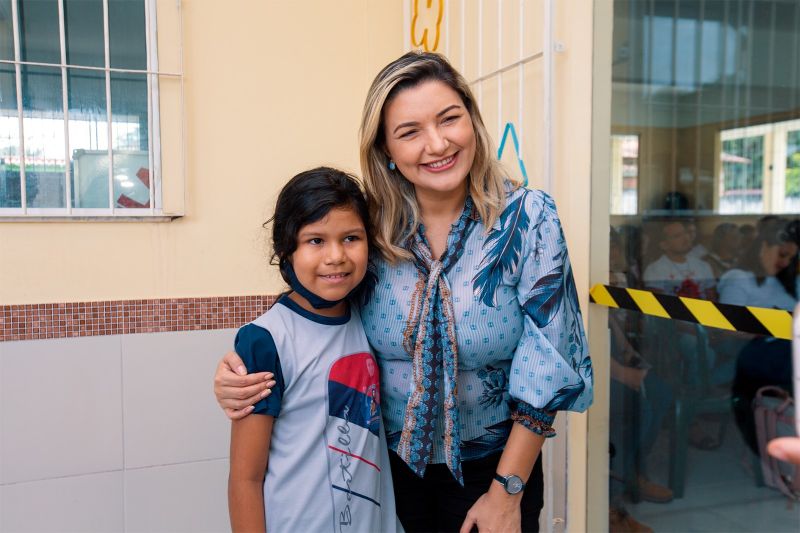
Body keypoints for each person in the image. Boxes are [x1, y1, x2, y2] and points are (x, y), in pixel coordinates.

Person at [215, 51, 592, 533]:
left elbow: (551, 359)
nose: (437, 144)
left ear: (472, 121)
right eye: (410, 131)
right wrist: (245, 368)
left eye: (449, 119)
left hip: (495, 472)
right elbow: (317, 300)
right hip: (382, 474)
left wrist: (506, 492)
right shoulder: (369, 226)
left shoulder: (527, 218)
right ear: (386, 150)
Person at [227, 167, 399, 533]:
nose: (336, 256)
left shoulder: (370, 319)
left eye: (351, 238)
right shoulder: (266, 340)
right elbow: (245, 478)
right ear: (286, 249)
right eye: (316, 240)